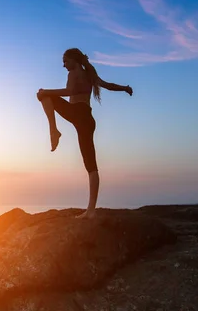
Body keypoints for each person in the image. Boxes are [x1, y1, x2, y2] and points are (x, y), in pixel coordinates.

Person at [37, 48, 133, 219]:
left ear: (74, 60)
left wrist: (47, 91)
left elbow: (70, 92)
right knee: (90, 164)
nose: (64, 65)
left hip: (77, 113)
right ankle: (91, 210)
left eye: (65, 61)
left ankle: (54, 130)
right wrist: (124, 88)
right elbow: (108, 86)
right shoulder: (89, 74)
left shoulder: (74, 73)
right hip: (86, 118)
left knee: (42, 96)